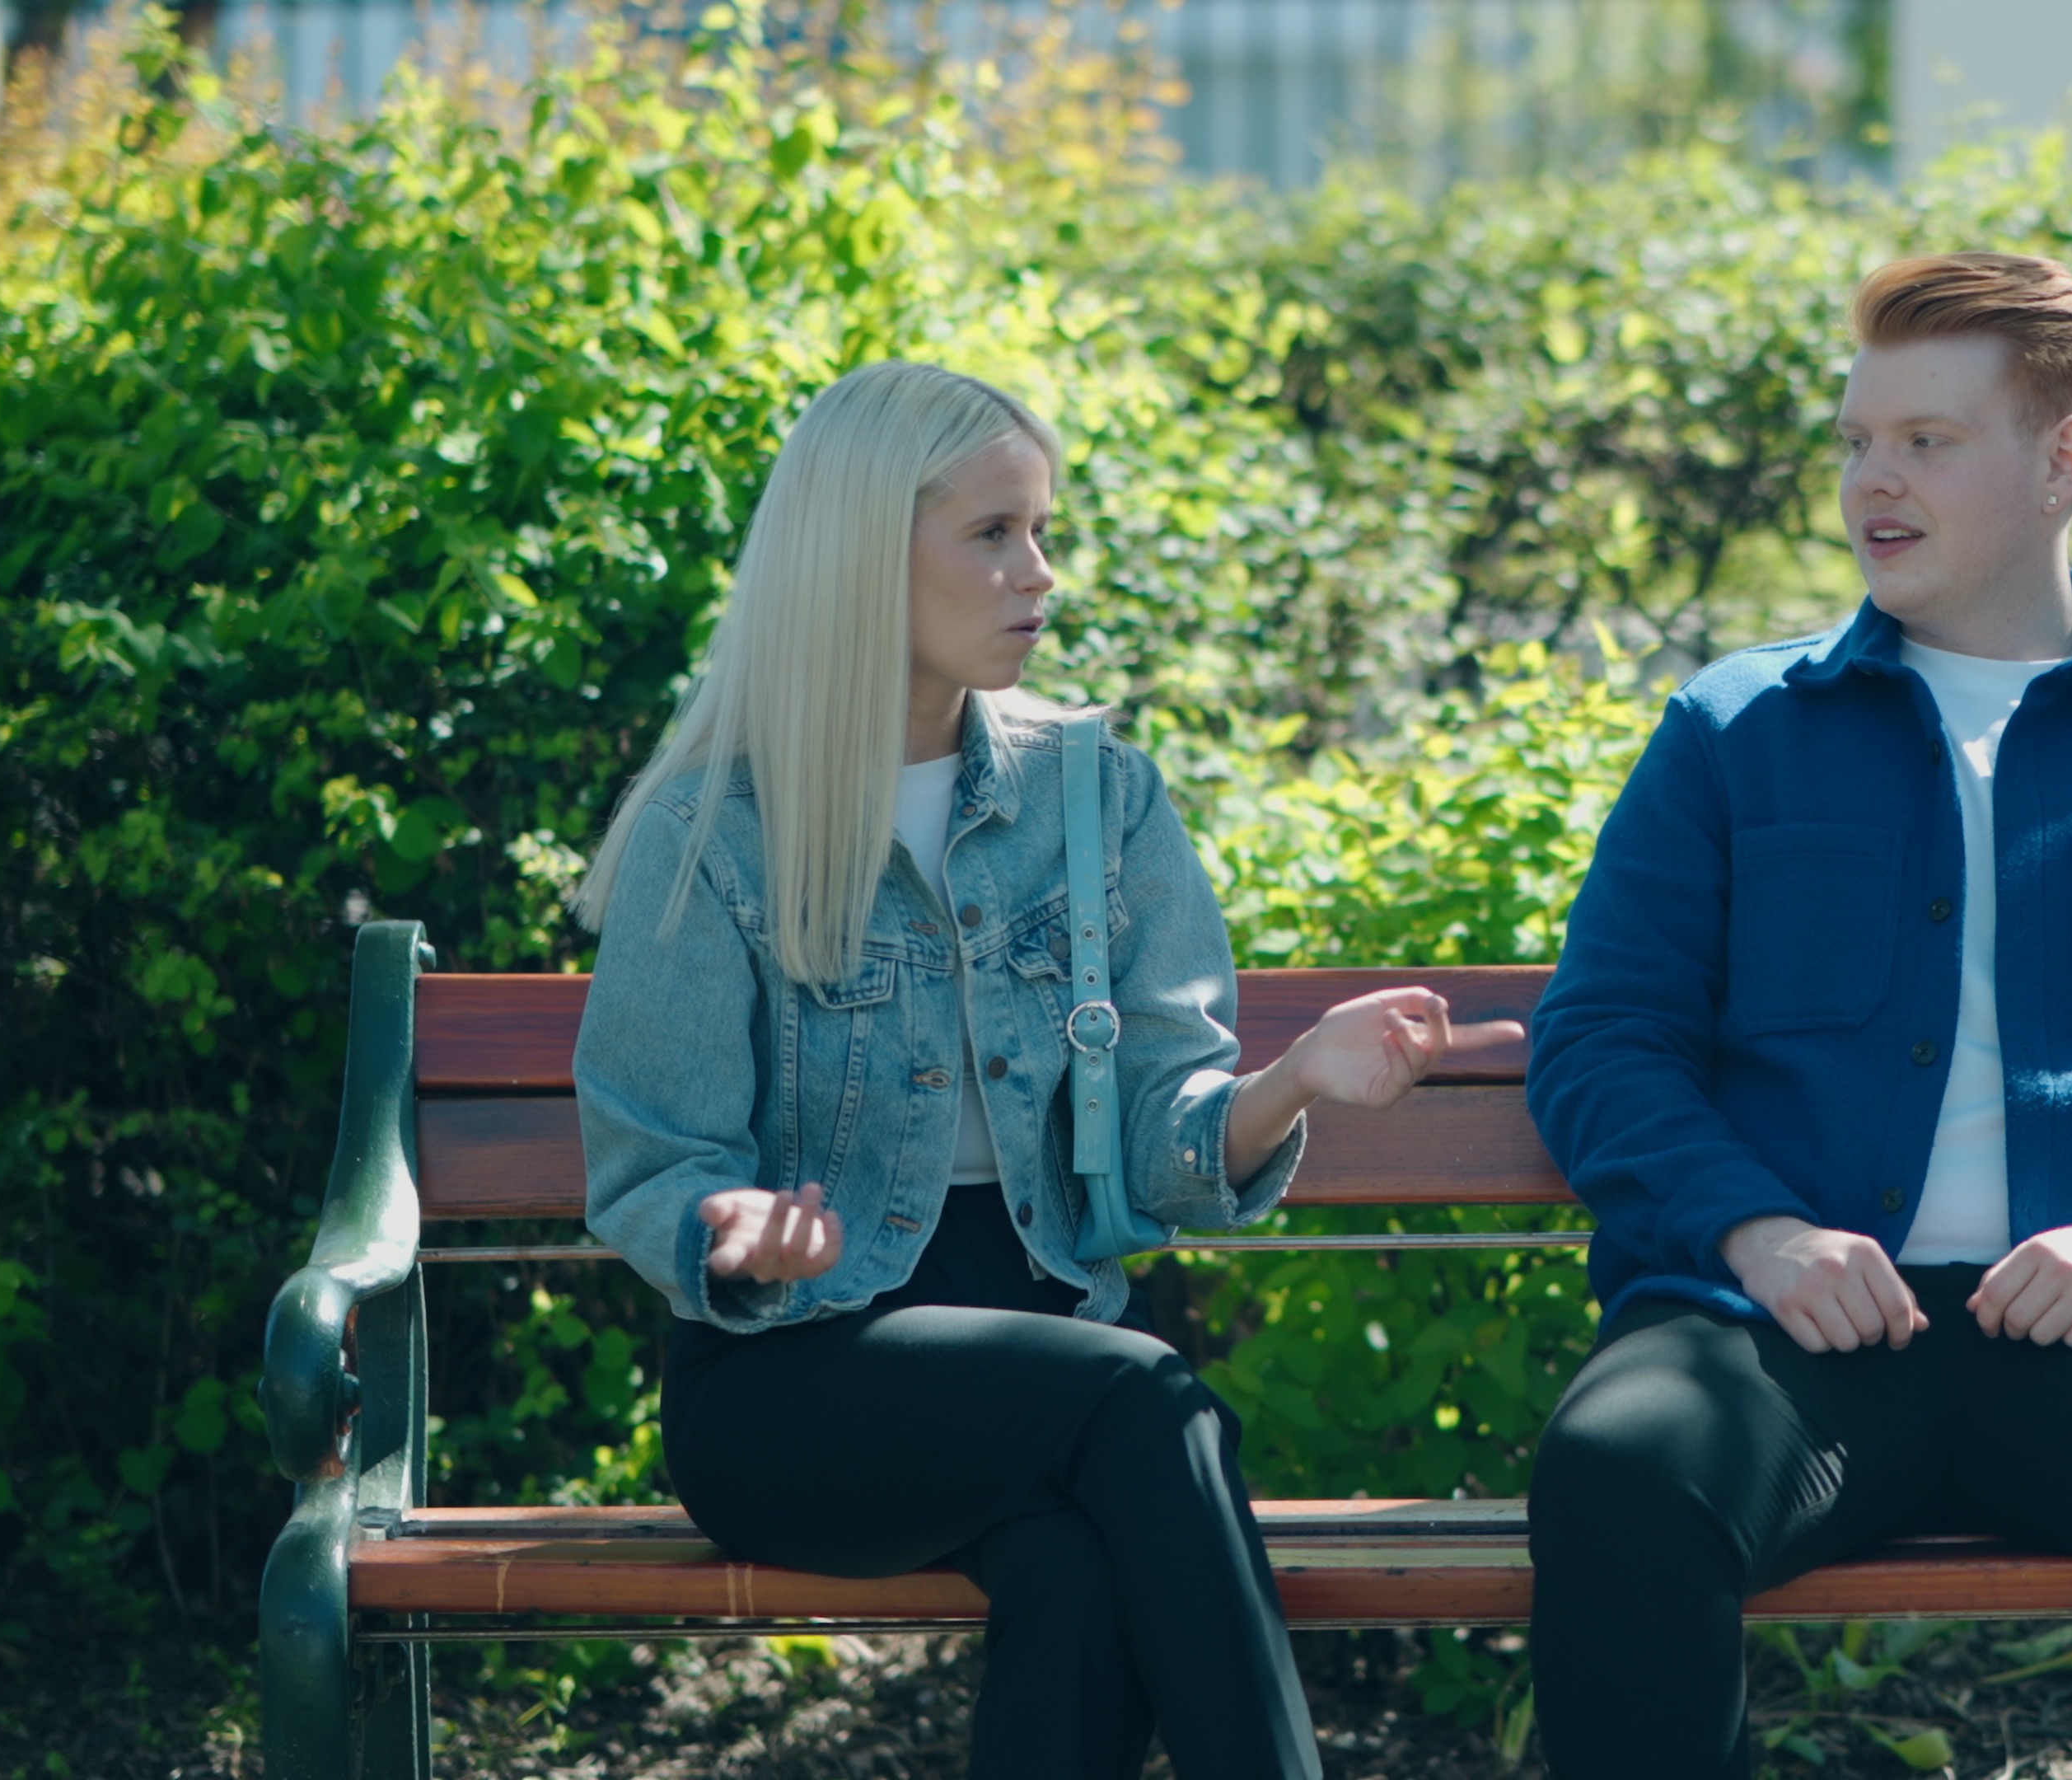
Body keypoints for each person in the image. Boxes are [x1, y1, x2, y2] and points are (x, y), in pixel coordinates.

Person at [1520, 254, 2072, 1779]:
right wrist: (1759, 1233)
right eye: (1858, 442)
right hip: (1788, 1339)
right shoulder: (1736, 733)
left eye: (1926, 442)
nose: (1873, 480)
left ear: (2066, 458)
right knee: (1621, 1463)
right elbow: (1603, 1040)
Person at [570, 362, 1513, 1780]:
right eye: (994, 533)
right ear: (860, 550)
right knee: (1144, 1398)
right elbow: (655, 1156)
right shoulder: (716, 834)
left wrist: (1296, 1081)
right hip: (792, 1383)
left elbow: (1155, 1137)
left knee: (1077, 1567)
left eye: (1042, 532)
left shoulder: (1098, 797)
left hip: (1044, 1372)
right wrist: (730, 1229)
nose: (1040, 575)